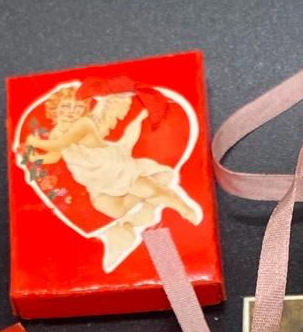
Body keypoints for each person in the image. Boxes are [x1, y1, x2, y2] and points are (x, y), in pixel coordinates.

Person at [25, 86, 202, 269]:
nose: (71, 111)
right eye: (65, 107)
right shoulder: (56, 132)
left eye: (77, 107)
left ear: (84, 110)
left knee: (151, 191)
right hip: (95, 180)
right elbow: (54, 155)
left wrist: (34, 142)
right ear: (54, 109)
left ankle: (184, 208)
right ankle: (135, 215)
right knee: (115, 210)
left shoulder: (83, 124)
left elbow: (59, 144)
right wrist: (34, 158)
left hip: (112, 168)